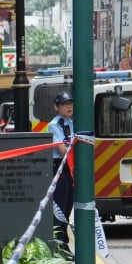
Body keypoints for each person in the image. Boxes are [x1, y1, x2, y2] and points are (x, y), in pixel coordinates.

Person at [49, 91, 75, 251]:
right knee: (59, 209)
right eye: (65, 104)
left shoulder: (71, 123)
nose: (68, 106)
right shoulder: (55, 125)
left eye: (70, 103)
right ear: (56, 107)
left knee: (68, 207)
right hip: (59, 167)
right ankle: (60, 247)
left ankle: (63, 244)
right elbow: (63, 149)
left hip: (70, 168)